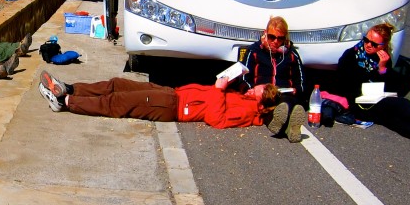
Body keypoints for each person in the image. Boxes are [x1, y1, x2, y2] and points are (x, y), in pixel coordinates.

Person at [38, 70, 283, 132]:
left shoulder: (248, 112)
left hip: (172, 107)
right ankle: (70, 88)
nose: (251, 91)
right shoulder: (245, 98)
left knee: (117, 102)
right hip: (172, 93)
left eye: (256, 93)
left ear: (261, 104)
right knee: (117, 84)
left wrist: (220, 90)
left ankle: (65, 101)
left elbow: (216, 120)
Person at [220, 15, 308, 142]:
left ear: (285, 38)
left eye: (280, 38)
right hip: (262, 95)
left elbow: (302, 81)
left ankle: (288, 125)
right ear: (265, 34)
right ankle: (289, 126)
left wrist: (296, 90)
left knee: (285, 103)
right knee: (268, 108)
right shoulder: (254, 51)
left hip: (284, 94)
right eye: (272, 37)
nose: (275, 41)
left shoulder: (291, 54)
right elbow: (244, 78)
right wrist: (252, 90)